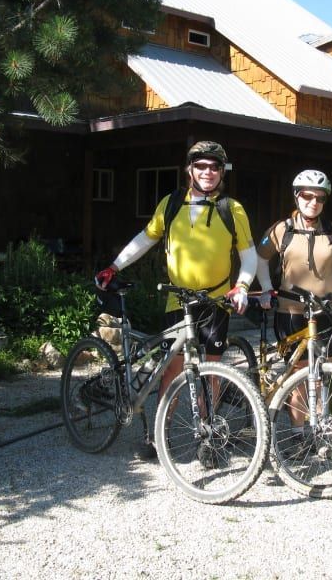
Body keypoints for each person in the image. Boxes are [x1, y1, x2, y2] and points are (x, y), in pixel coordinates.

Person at [95, 140, 257, 461]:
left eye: (215, 166)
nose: (208, 172)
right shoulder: (170, 204)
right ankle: (157, 434)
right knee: (172, 369)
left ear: (222, 172)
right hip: (178, 301)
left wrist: (241, 286)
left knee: (211, 370)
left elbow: (248, 255)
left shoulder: (231, 209)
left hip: (216, 301)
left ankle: (208, 437)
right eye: (201, 165)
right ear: (190, 170)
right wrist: (115, 266)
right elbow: (146, 238)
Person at [255, 169, 332, 457]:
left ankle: (319, 429)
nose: (313, 201)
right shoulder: (282, 229)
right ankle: (299, 434)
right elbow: (260, 259)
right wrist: (266, 288)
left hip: (326, 310)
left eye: (320, 197)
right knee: (299, 372)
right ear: (297, 196)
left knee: (321, 374)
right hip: (290, 311)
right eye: (307, 195)